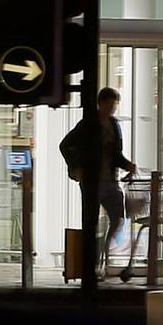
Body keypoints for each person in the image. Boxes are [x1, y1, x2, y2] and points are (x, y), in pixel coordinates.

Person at [58, 86, 134, 271]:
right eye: (109, 105)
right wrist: (76, 167)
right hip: (92, 180)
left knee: (118, 218)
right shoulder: (88, 124)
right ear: (100, 104)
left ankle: (103, 253)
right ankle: (93, 260)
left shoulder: (114, 125)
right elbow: (65, 145)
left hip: (110, 180)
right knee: (90, 220)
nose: (112, 109)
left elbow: (116, 153)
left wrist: (127, 165)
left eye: (114, 106)